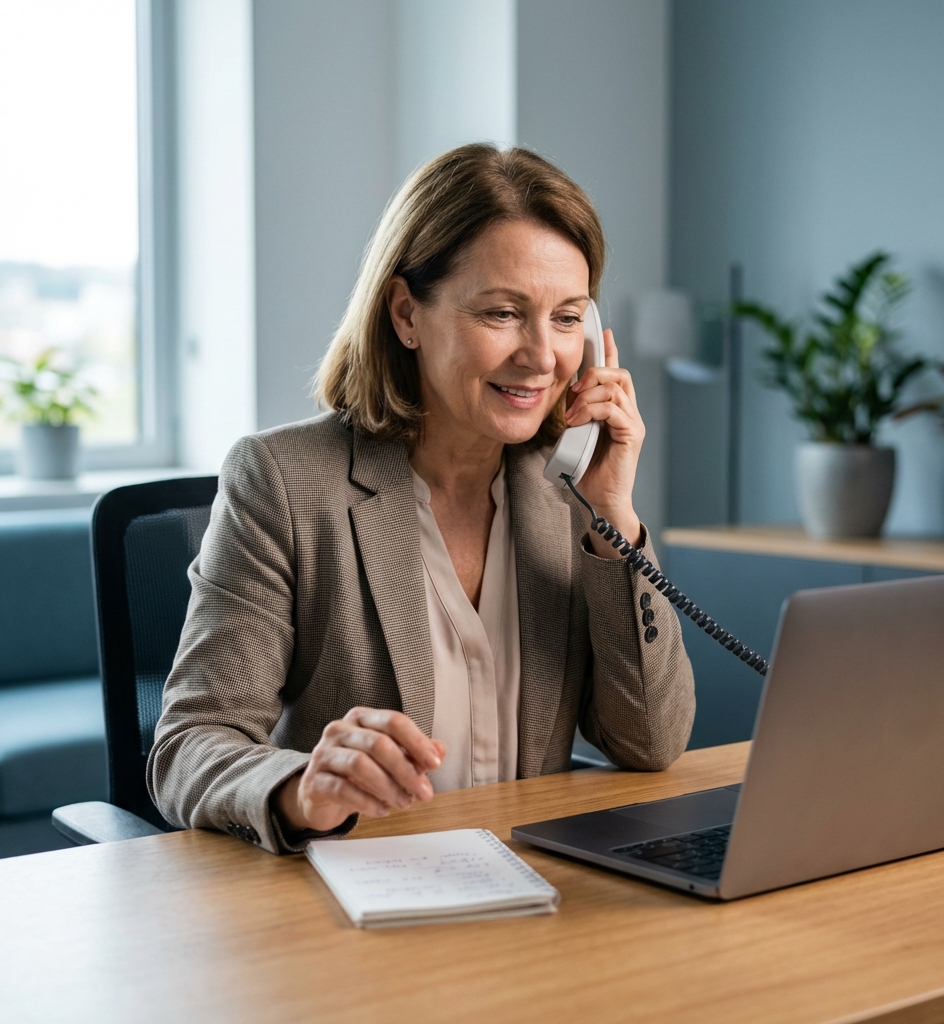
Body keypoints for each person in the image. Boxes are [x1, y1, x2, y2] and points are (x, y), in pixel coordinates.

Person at [147, 144, 695, 853]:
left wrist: (613, 517)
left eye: (566, 318)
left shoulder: (570, 496)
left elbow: (651, 741)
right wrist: (300, 787)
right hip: (358, 901)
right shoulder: (282, 481)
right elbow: (189, 745)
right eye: (503, 313)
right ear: (407, 313)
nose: (542, 355)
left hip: (538, 896)